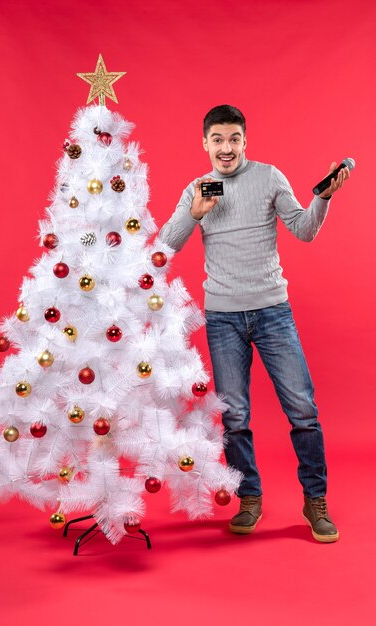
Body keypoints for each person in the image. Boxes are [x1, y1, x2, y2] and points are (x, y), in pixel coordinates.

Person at [159, 104, 349, 543]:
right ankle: (250, 498)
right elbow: (166, 245)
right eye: (218, 140)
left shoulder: (267, 177)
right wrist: (196, 211)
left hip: (272, 311)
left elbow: (303, 229)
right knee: (236, 416)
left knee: (303, 410)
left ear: (246, 141)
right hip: (222, 316)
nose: (226, 148)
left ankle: (315, 501)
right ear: (205, 143)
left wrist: (323, 196)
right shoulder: (200, 186)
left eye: (234, 139)